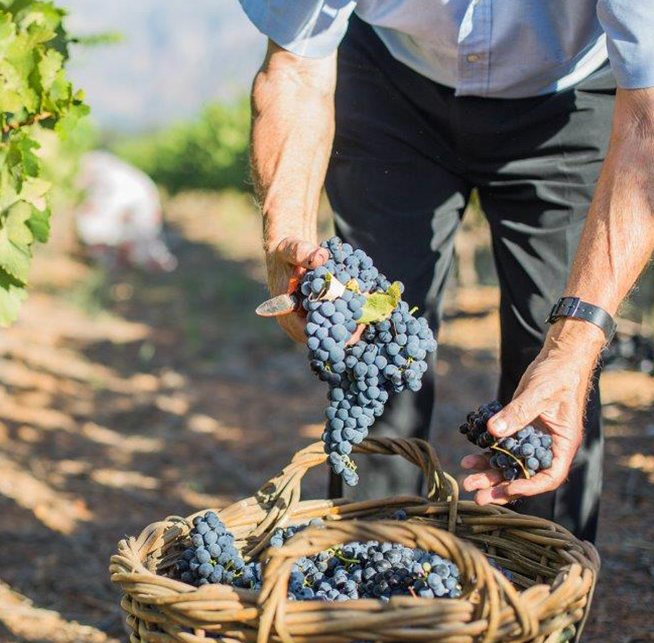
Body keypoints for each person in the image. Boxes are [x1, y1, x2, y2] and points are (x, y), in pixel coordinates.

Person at [240, 0, 654, 544]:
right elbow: (294, 66)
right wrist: (285, 240)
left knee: (552, 377)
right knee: (373, 349)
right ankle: (370, 590)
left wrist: (574, 343)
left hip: (569, 99)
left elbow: (648, 124)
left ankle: (540, 605)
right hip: (391, 84)